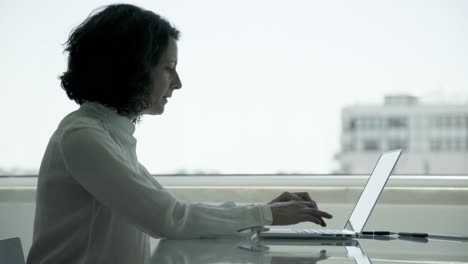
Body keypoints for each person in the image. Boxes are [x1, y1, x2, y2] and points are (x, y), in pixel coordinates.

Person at [27, 4, 332, 263]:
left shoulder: (108, 133)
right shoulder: (83, 137)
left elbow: (170, 210)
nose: (178, 83)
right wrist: (264, 214)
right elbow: (168, 218)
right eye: (168, 68)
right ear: (130, 68)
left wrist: (265, 211)